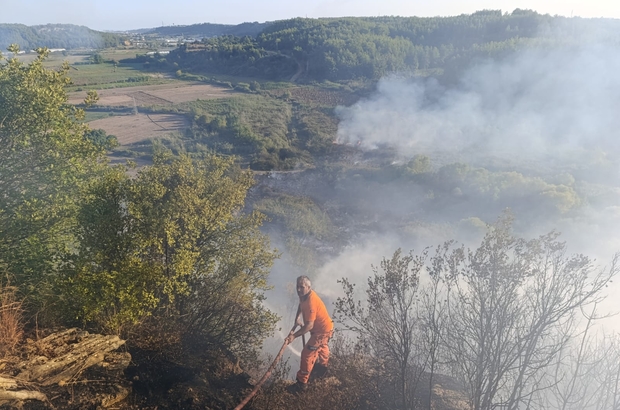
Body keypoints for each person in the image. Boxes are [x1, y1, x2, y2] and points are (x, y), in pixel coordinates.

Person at [285, 275, 334, 393]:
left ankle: (301, 384)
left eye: (301, 287)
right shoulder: (304, 296)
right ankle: (322, 370)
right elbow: (300, 304)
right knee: (322, 348)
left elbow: (309, 326)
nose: (298, 290)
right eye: (297, 287)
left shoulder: (311, 301)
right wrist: (297, 317)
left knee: (307, 354)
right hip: (324, 329)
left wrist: (293, 336)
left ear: (308, 287)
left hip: (321, 331)